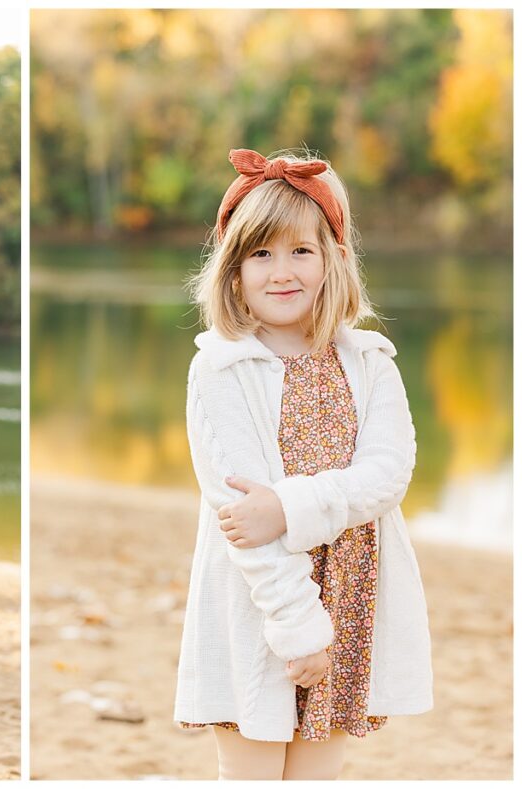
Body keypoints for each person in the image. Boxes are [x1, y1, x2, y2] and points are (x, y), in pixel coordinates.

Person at [173, 149, 432, 780]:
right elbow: (243, 518)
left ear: (334, 259)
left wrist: (286, 506)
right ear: (233, 272)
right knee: (253, 767)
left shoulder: (370, 362)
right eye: (260, 254)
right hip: (264, 597)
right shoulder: (222, 367)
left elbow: (386, 475)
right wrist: (298, 629)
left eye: (301, 252)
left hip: (347, 588)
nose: (280, 272)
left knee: (319, 773)